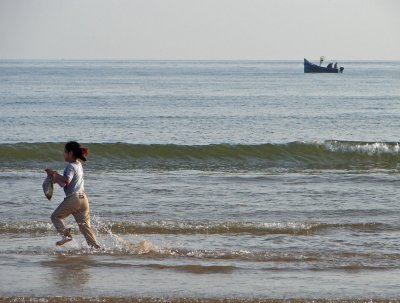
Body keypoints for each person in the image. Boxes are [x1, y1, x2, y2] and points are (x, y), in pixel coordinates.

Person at [45, 141, 100, 249]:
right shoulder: (78, 165)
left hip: (74, 198)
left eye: (65, 151)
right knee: (85, 228)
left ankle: (66, 236)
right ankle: (96, 248)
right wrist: (55, 178)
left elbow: (67, 180)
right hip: (83, 199)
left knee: (55, 217)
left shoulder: (70, 166)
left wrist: (53, 174)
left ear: (70, 153)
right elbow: (66, 183)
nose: (63, 154)